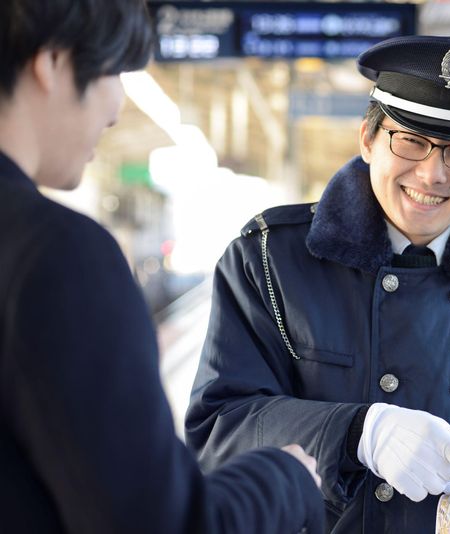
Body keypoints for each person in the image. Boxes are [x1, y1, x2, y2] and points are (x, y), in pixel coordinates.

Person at [185, 35, 450, 533]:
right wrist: (358, 433)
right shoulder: (268, 261)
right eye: (411, 141)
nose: (432, 175)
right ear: (368, 140)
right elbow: (219, 428)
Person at [0, 1, 324, 532]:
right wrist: (285, 478)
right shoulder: (58, 254)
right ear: (52, 62)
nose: (116, 108)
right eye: (114, 72)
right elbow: (160, 522)